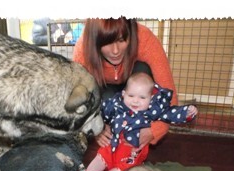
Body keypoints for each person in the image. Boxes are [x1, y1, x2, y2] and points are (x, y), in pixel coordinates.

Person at [75, 72, 197, 171]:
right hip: (112, 145)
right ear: (123, 94)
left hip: (131, 152)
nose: (135, 101)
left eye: (142, 97)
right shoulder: (117, 104)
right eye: (131, 95)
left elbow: (171, 113)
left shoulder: (151, 112)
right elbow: (100, 110)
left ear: (151, 98)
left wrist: (187, 112)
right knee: (100, 157)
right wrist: (98, 123)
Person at [72, 17, 179, 152]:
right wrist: (96, 128)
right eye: (107, 42)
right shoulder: (82, 49)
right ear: (95, 41)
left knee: (143, 72)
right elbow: (77, 102)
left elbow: (168, 93)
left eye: (122, 40)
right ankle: (115, 140)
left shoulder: (144, 38)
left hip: (136, 89)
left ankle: (136, 133)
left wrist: (154, 130)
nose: (116, 51)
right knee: (102, 96)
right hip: (106, 92)